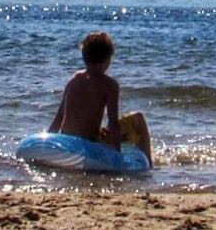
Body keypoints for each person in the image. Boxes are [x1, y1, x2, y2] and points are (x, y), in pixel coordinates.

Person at [48, 31, 151, 160]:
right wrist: (117, 157)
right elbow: (113, 124)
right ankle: (148, 165)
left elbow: (59, 117)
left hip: (68, 140)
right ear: (107, 59)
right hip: (91, 142)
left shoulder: (73, 80)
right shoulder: (110, 85)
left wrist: (48, 144)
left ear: (84, 56)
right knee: (138, 119)